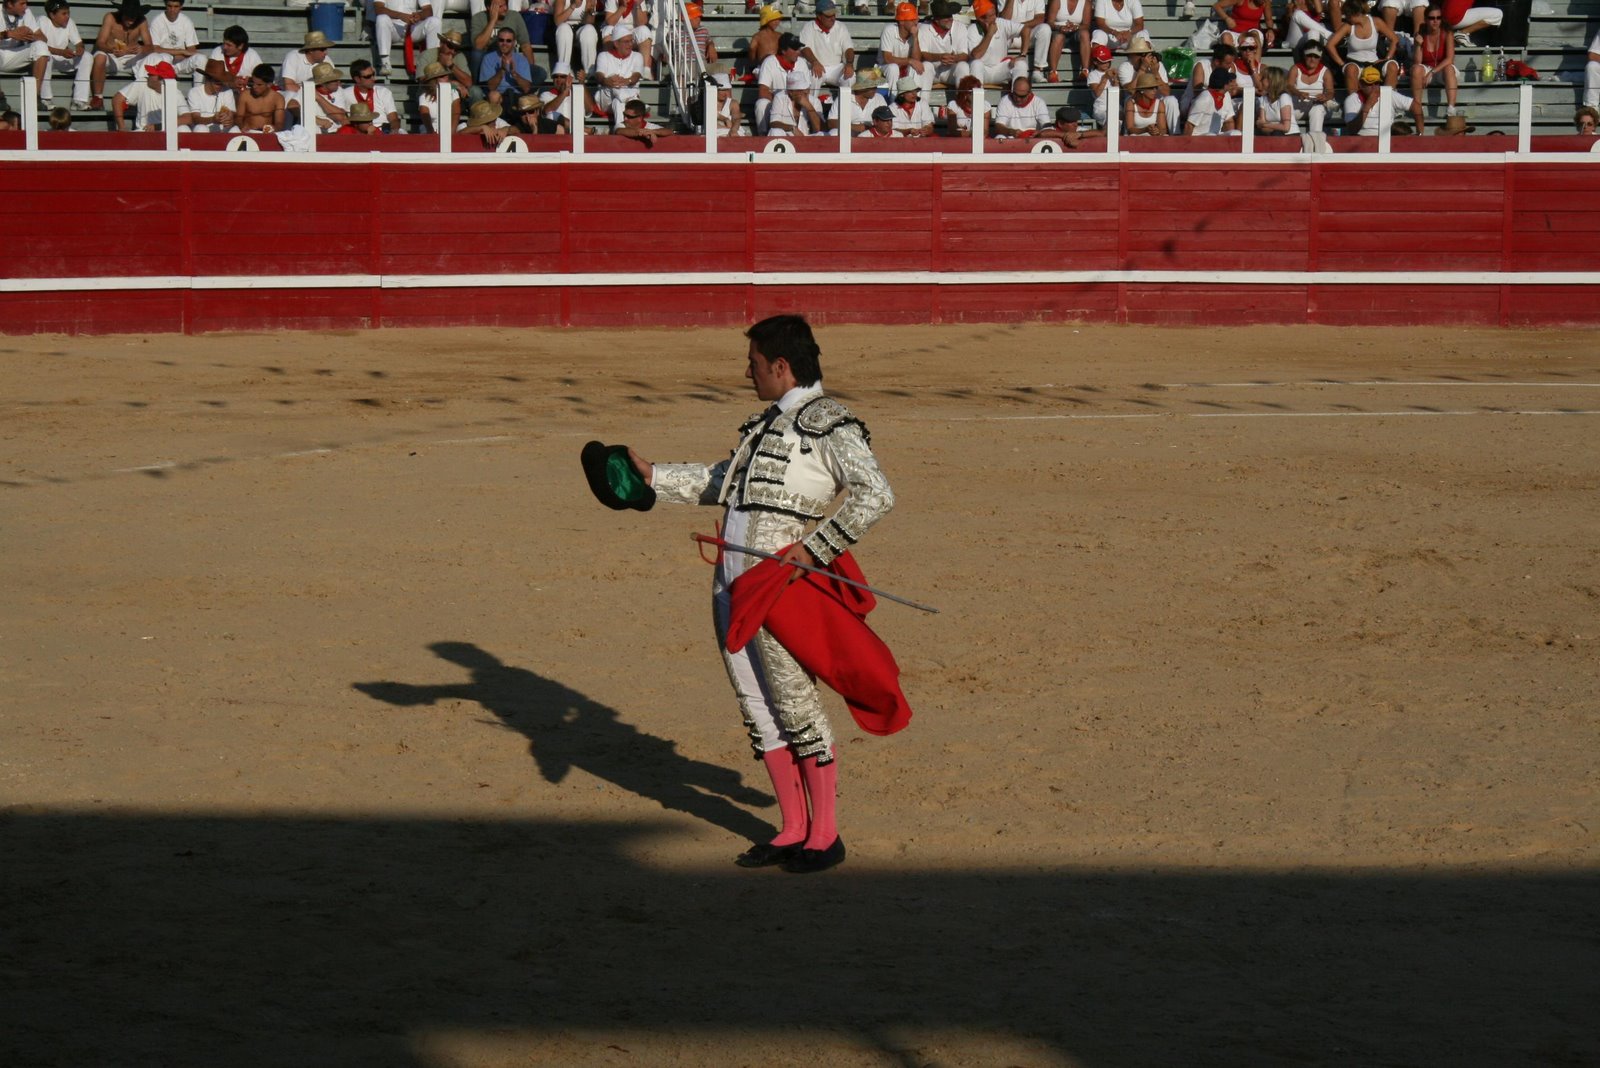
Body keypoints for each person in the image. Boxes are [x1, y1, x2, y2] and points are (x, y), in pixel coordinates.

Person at [626, 315, 896, 875]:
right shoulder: (764, 425)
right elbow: (723, 482)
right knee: (757, 705)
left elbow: (876, 494)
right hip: (730, 576)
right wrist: (654, 476)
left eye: (752, 365)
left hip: (778, 584)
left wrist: (813, 551)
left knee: (794, 702)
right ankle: (792, 827)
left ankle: (826, 832)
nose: (746, 374)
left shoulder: (829, 422)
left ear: (780, 365)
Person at [89, 0, 154, 107]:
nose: (131, 22)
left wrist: (142, 49)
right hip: (112, 55)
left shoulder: (142, 21)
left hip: (131, 58)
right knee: (100, 57)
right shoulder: (110, 18)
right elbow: (100, 42)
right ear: (122, 13)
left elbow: (150, 46)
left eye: (133, 18)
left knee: (153, 58)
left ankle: (142, 100)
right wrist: (112, 50)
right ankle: (98, 97)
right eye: (128, 18)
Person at [1327, 0, 1398, 93]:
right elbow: (1330, 45)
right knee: (1350, 69)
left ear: (1355, 14)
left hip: (1374, 62)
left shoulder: (1376, 22)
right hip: (1354, 62)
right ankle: (1354, 101)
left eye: (1347, 15)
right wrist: (1341, 63)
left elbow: (1394, 39)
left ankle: (1388, 98)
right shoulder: (1348, 26)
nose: (1346, 18)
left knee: (1392, 66)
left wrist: (1387, 58)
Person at [30, 0, 88, 110]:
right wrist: (61, 52)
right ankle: (45, 99)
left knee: (87, 57)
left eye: (68, 13)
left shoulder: (70, 22)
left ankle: (79, 101)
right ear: (52, 15)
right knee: (45, 56)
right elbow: (38, 46)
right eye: (64, 13)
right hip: (47, 58)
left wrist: (80, 48)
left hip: (63, 58)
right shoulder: (42, 21)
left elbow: (79, 43)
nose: (67, 16)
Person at [1409, 4, 1457, 125]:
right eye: (1431, 18)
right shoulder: (1421, 31)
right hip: (1426, 67)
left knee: (1449, 68)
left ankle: (1451, 108)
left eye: (1438, 18)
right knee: (1415, 69)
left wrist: (1432, 72)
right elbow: (1417, 62)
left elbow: (1450, 58)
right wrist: (1418, 45)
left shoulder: (1447, 32)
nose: (1435, 21)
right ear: (1425, 20)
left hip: (1441, 69)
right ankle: (1417, 107)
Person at [1344, 62, 1421, 133]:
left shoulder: (1388, 94)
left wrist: (1420, 134)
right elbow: (1352, 130)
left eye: (1377, 83)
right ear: (1360, 84)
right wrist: (1366, 107)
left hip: (1386, 139)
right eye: (1369, 83)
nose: (1374, 87)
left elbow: (1416, 106)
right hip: (1362, 140)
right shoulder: (1352, 99)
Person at [918, 0, 974, 94]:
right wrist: (940, 57)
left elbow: (965, 55)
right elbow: (922, 54)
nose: (950, 19)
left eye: (950, 16)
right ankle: (923, 104)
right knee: (926, 66)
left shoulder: (960, 27)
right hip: (933, 71)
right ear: (936, 19)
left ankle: (962, 104)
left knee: (963, 66)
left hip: (951, 72)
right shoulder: (923, 28)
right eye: (945, 17)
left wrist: (954, 58)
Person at [798, 0, 855, 93]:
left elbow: (848, 48)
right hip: (818, 66)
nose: (832, 18)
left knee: (850, 77)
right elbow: (805, 48)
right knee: (814, 76)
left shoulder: (841, 26)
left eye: (834, 15)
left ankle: (845, 106)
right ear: (819, 16)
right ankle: (811, 105)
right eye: (828, 16)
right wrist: (814, 62)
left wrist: (849, 64)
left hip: (836, 68)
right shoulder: (808, 27)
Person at [967, 0, 1027, 88]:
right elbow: (976, 55)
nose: (994, 18)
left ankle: (1018, 97)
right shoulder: (972, 29)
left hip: (1000, 68)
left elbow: (1025, 29)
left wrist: (1023, 54)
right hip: (983, 70)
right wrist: (990, 34)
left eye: (995, 14)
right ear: (981, 19)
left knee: (1021, 64)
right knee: (976, 63)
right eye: (991, 16)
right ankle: (977, 100)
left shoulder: (1000, 22)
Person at [374, 0, 440, 78]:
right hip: (393, 28)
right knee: (381, 18)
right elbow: (378, 8)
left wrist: (419, 15)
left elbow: (428, 10)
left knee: (435, 21)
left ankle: (432, 64)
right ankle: (385, 63)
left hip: (412, 26)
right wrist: (400, 15)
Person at [593, 22, 643, 124]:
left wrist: (626, 81)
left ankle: (620, 128)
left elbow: (636, 76)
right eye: (626, 42)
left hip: (627, 99)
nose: (630, 45)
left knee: (618, 101)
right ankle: (638, 104)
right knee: (614, 86)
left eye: (631, 41)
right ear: (616, 44)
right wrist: (606, 80)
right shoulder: (603, 55)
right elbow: (599, 75)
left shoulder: (637, 56)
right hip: (607, 99)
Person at [480, 23, 534, 109]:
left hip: (517, 96)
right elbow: (490, 87)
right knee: (494, 95)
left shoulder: (522, 59)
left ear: (514, 42)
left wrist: (514, 74)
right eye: (501, 40)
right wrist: (502, 70)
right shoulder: (488, 58)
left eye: (508, 41)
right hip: (498, 96)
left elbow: (527, 88)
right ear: (497, 41)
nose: (504, 43)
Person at [336, 59, 400, 130]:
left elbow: (394, 119)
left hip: (383, 131)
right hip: (359, 134)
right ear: (357, 79)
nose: (373, 79)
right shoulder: (345, 94)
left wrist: (394, 131)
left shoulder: (384, 92)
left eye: (373, 74)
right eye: (368, 76)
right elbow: (342, 120)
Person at [112, 56, 172, 130]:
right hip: (144, 131)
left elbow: (187, 117)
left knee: (183, 129)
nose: (148, 74)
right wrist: (121, 127)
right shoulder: (142, 82)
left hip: (168, 131)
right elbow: (117, 99)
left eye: (152, 74)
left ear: (161, 79)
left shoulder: (175, 93)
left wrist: (157, 127)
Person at [178, 56, 236, 131]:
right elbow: (195, 119)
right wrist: (212, 119)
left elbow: (232, 114)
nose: (220, 86)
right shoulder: (195, 92)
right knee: (201, 128)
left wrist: (229, 118)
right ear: (208, 79)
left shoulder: (227, 91)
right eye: (217, 83)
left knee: (235, 129)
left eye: (221, 82)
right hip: (202, 127)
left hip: (221, 128)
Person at [146, 0, 200, 79]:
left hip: (181, 61)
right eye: (170, 6)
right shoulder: (157, 21)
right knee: (162, 57)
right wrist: (181, 51)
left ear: (181, 7)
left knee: (201, 59)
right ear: (165, 5)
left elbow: (191, 50)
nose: (172, 10)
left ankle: (198, 89)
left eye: (176, 6)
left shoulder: (186, 21)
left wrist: (180, 55)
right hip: (163, 61)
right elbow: (155, 49)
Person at [1288, 40, 1333, 133]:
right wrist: (1298, 93)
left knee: (1317, 109)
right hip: (1298, 107)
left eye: (1316, 56)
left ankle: (1315, 139)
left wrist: (1324, 96)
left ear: (1320, 58)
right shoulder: (1295, 68)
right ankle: (1292, 137)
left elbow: (1331, 92)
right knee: (1284, 110)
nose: (1312, 59)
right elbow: (1289, 86)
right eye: (1309, 55)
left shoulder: (1325, 71)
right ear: (1304, 56)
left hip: (1319, 106)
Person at [204, 25, 262, 94]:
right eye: (224, 43)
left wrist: (248, 80)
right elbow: (211, 76)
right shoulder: (218, 51)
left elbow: (262, 79)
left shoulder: (252, 55)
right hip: (222, 93)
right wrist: (231, 82)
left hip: (245, 94)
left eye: (229, 45)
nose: (224, 47)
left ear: (240, 46)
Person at [878, 2, 922, 91]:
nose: (916, 22)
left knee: (918, 67)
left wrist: (915, 38)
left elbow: (916, 60)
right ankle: (893, 100)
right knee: (893, 67)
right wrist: (910, 61)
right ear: (901, 21)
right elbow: (888, 59)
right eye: (912, 19)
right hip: (884, 68)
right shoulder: (889, 30)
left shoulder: (916, 31)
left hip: (905, 67)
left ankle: (913, 99)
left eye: (916, 19)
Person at [1043, 0, 1091, 82]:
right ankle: (1053, 72)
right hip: (1059, 31)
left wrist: (1076, 27)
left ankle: (1085, 71)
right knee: (1059, 37)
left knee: (1085, 34)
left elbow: (1086, 25)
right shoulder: (1057, 1)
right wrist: (1059, 28)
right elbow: (1050, 22)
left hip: (1076, 33)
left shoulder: (1086, 3)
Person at [0, 0, 46, 82]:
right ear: (10, 4)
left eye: (26, 3)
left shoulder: (26, 12)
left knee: (41, 47)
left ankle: (35, 93)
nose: (26, 6)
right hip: (1, 54)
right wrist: (7, 34)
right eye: (22, 4)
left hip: (17, 55)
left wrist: (28, 35)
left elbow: (43, 38)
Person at [828, 67, 883, 135]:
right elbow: (831, 122)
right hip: (848, 133)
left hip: (871, 134)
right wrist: (853, 127)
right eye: (872, 86)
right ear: (861, 88)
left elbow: (887, 120)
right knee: (834, 133)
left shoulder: (879, 98)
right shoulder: (844, 98)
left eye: (876, 86)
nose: (875, 89)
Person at [1185, 66, 1238, 134]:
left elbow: (1228, 122)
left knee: (1235, 133)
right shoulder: (1204, 98)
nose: (1232, 83)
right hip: (1198, 138)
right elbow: (1189, 126)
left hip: (1216, 136)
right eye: (1229, 81)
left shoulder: (1226, 96)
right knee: (1211, 135)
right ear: (1225, 85)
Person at [552, 0, 598, 78]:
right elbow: (557, 21)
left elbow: (590, 22)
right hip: (565, 27)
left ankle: (589, 71)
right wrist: (573, 6)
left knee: (589, 29)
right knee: (564, 29)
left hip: (581, 28)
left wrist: (590, 11)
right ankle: (564, 70)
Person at [235, 61, 284, 132]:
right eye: (253, 83)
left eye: (259, 85)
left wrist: (272, 128)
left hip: (267, 133)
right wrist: (242, 126)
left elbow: (279, 124)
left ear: (269, 85)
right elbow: (238, 118)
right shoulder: (245, 95)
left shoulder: (278, 98)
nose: (254, 87)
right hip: (247, 132)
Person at [1123, 69, 1175, 134]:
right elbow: (1130, 129)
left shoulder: (1159, 104)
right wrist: (1145, 130)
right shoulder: (1131, 103)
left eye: (1156, 87)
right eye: (1151, 88)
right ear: (1142, 90)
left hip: (1153, 139)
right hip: (1135, 139)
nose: (1155, 90)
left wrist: (1157, 131)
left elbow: (1163, 129)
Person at [538, 59, 575, 132]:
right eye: (555, 76)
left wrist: (582, 83)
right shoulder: (545, 95)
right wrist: (565, 91)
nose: (558, 79)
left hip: (577, 135)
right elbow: (547, 111)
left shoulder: (576, 95)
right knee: (551, 115)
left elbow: (589, 109)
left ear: (569, 79)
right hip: (556, 134)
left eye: (562, 77)